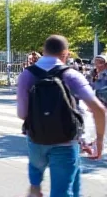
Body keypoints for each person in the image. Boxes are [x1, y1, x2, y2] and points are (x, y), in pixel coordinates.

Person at [17, 35, 106, 197]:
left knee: (37, 165)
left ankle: (35, 186)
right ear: (65, 54)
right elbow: (99, 109)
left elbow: (22, 114)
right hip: (66, 140)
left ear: (44, 51)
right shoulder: (71, 75)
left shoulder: (27, 75)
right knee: (63, 190)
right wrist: (99, 140)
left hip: (37, 138)